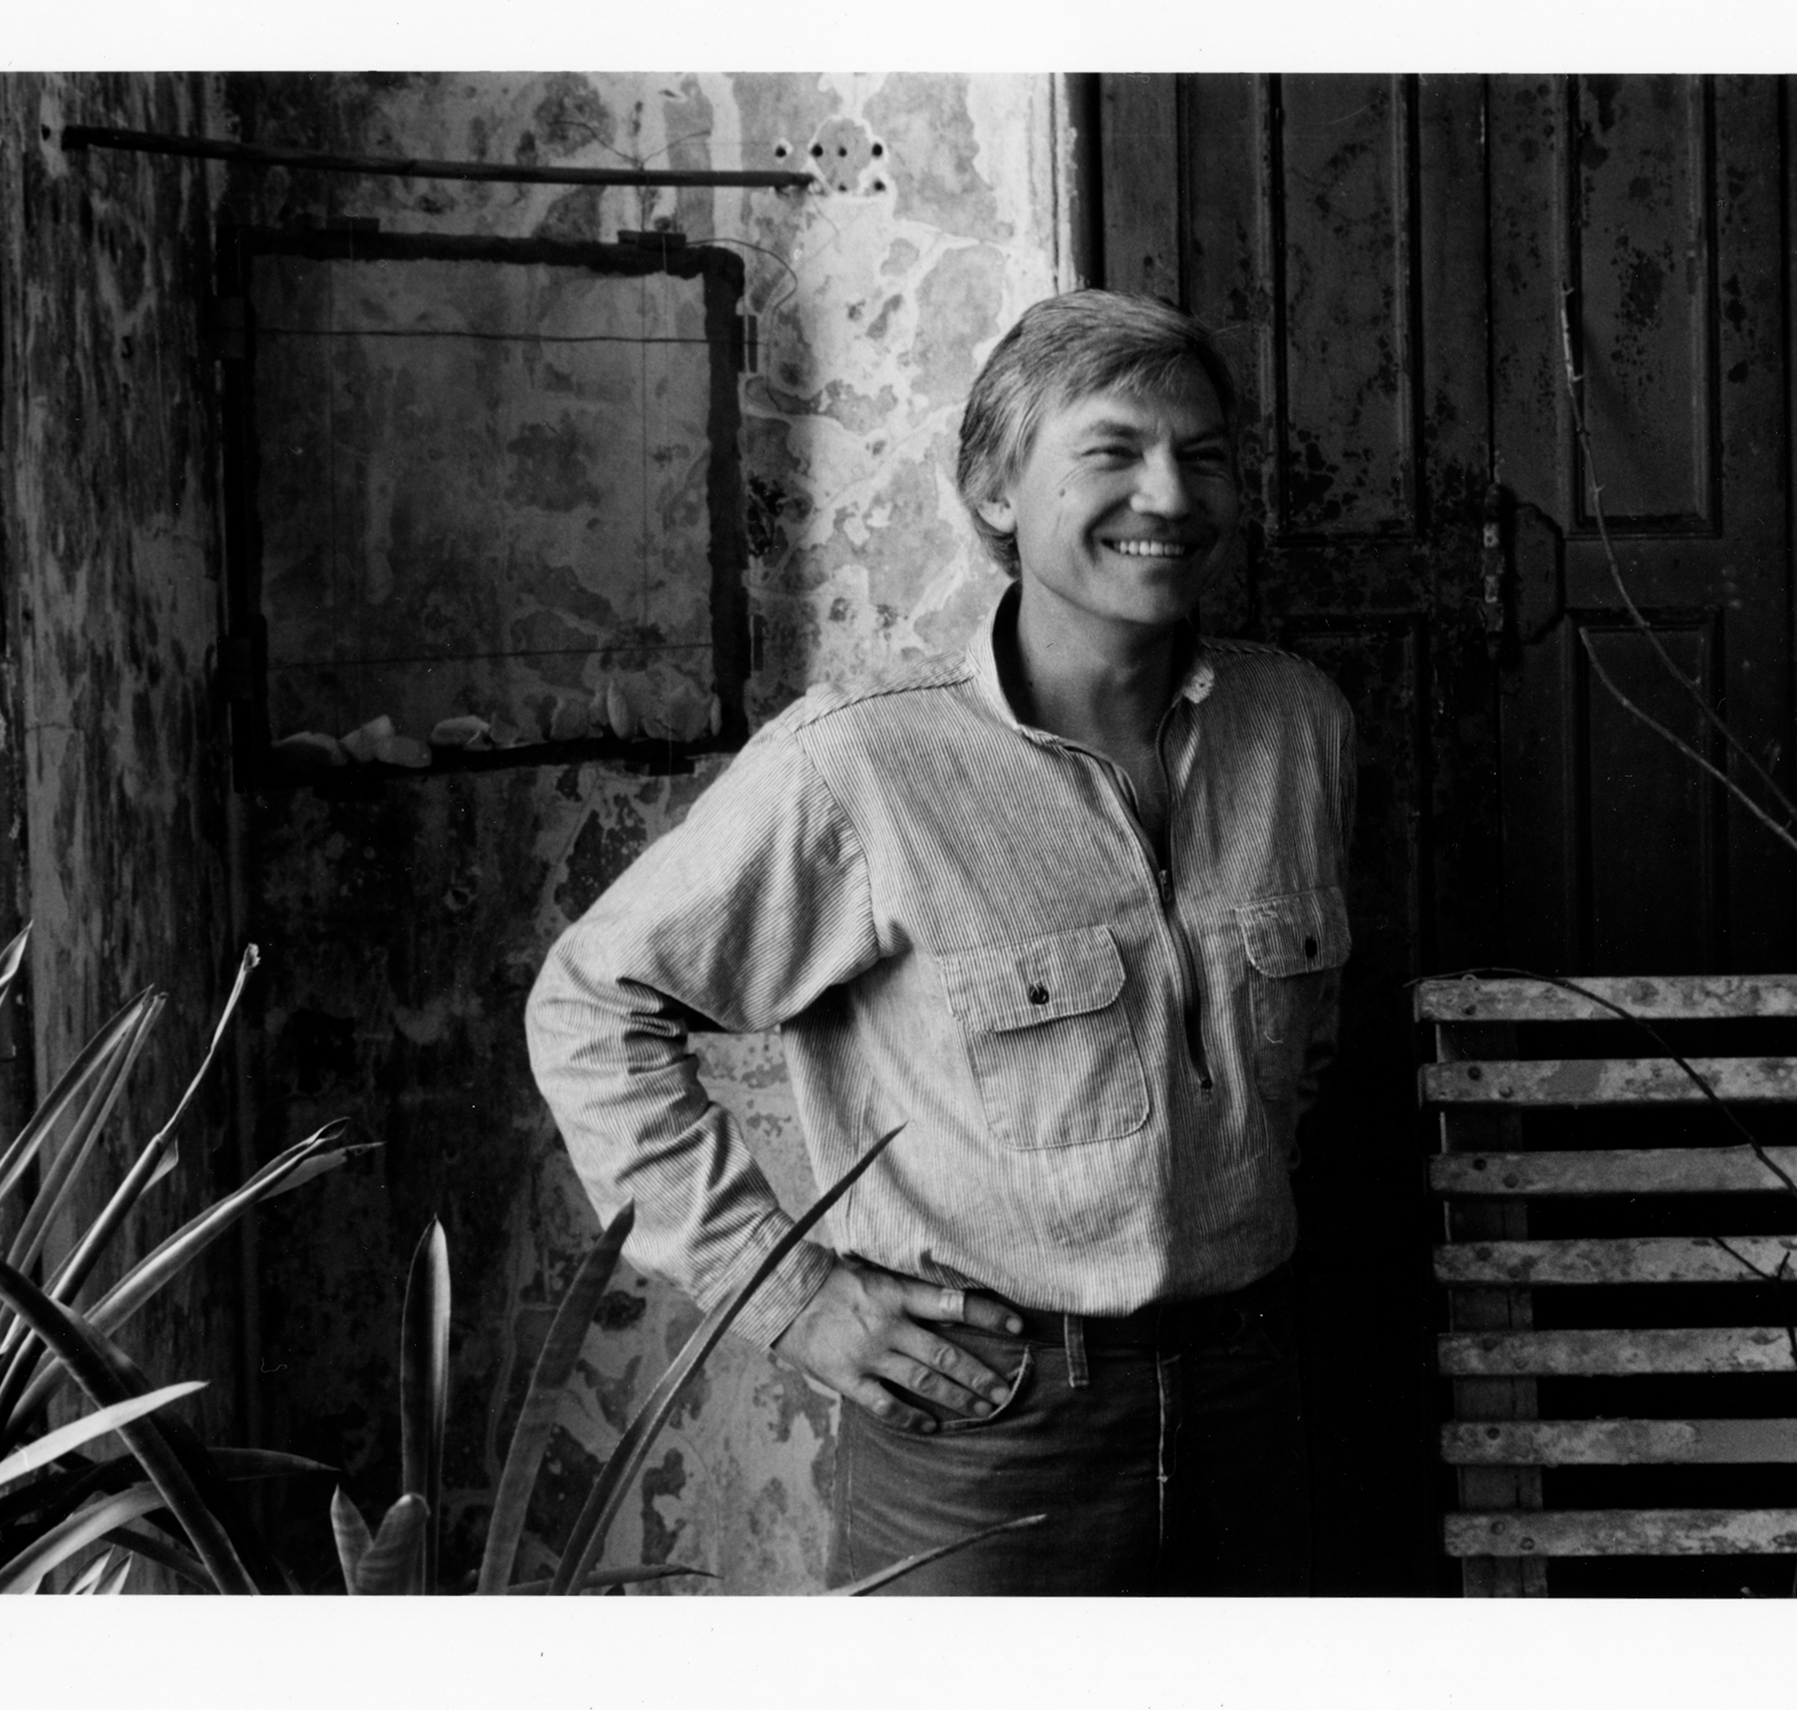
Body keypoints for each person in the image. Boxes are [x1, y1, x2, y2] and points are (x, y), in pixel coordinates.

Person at [526, 287, 1354, 1594]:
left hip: (1254, 1395)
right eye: (1114, 451)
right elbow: (590, 1006)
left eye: (1202, 456)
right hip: (987, 1423)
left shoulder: (1300, 725)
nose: (1171, 494)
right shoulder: (859, 763)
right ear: (993, 493)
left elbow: (1294, 1071)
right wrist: (789, 1293)